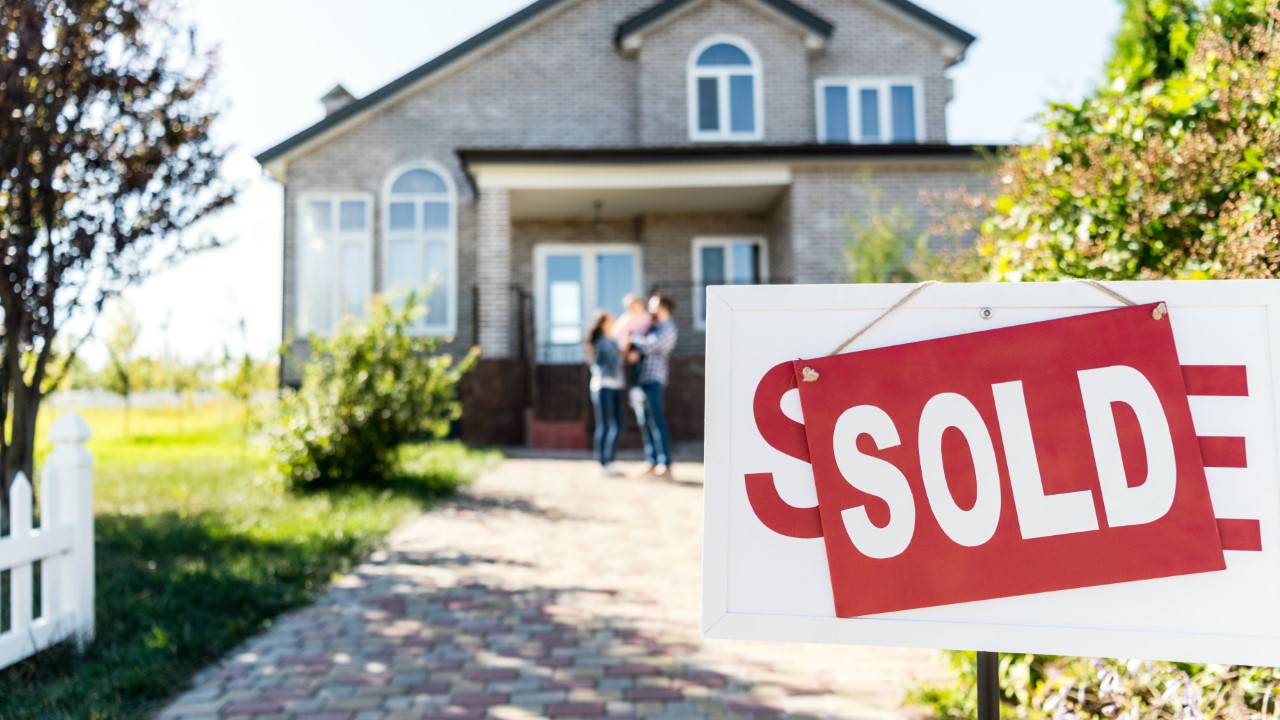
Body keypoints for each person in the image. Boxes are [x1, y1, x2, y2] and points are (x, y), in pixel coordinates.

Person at [629, 293, 677, 478]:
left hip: (655, 379)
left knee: (657, 420)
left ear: (663, 307)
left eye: (653, 305)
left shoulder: (668, 328)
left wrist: (632, 337)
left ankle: (665, 462)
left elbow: (649, 346)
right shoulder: (654, 327)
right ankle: (652, 460)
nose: (650, 309)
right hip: (643, 379)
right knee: (645, 421)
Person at [585, 310, 625, 477]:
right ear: (603, 323)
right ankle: (602, 463)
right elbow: (615, 361)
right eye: (610, 318)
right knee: (605, 425)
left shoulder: (612, 340)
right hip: (602, 386)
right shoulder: (601, 342)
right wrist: (626, 349)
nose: (614, 320)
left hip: (615, 386)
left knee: (619, 424)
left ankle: (609, 460)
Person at [611, 293, 651, 387]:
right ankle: (636, 387)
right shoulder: (626, 318)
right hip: (631, 346)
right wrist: (628, 349)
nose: (636, 307)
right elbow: (617, 333)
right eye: (633, 306)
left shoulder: (647, 317)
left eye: (637, 304)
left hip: (646, 345)